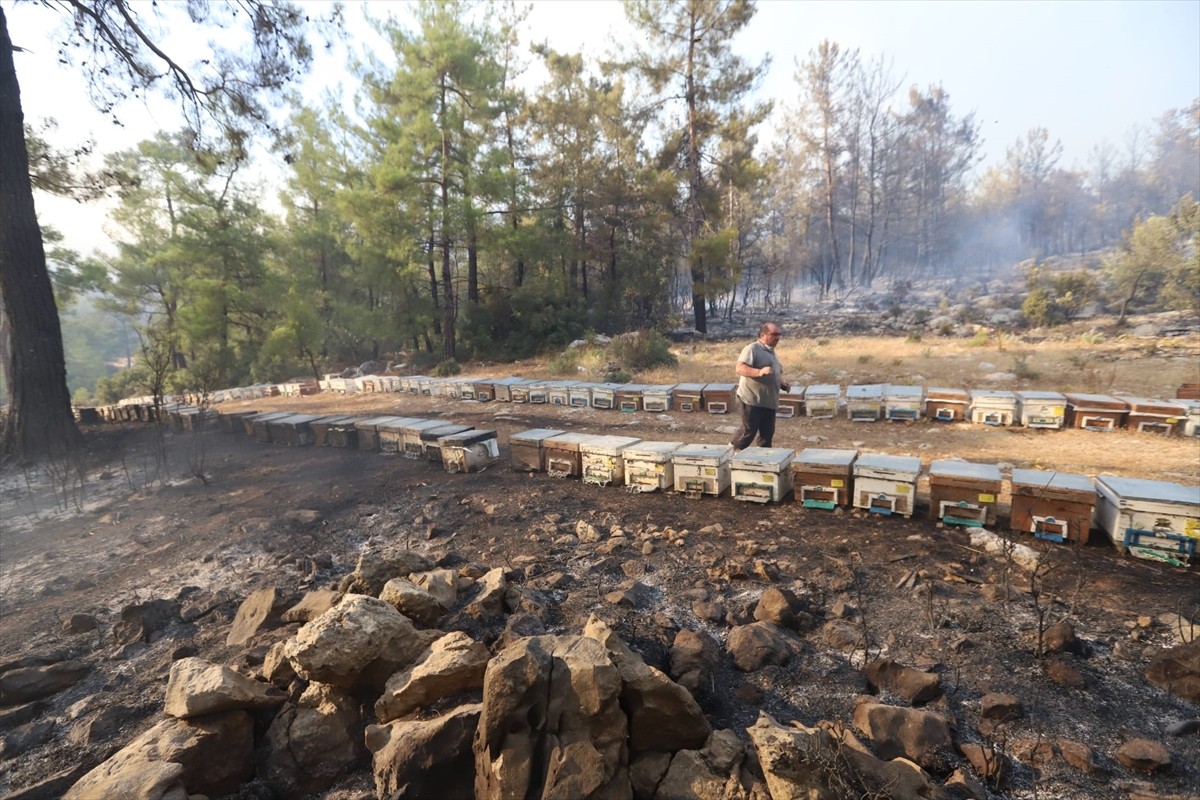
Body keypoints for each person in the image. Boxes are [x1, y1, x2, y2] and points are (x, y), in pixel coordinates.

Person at [730, 321, 790, 450]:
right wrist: (759, 372)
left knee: (767, 435)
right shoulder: (752, 349)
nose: (778, 338)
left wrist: (782, 384)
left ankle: (763, 462)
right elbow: (740, 368)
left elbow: (772, 373)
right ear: (763, 335)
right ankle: (728, 454)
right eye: (774, 334)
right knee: (749, 431)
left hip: (769, 402)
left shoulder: (772, 352)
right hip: (752, 399)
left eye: (779, 334)